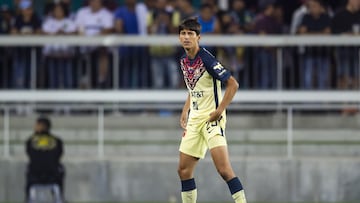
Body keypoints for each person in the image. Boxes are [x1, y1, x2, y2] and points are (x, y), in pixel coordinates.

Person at [177, 18, 247, 203]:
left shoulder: (206, 59)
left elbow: (233, 84)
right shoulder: (184, 60)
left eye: (190, 34)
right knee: (183, 170)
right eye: (183, 33)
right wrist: (185, 110)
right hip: (195, 119)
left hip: (211, 119)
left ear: (198, 37)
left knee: (224, 170)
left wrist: (219, 110)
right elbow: (194, 88)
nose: (186, 37)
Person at [25, 117, 65, 202]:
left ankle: (27, 198)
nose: (35, 127)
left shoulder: (30, 141)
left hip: (34, 177)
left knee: (28, 169)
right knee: (61, 168)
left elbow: (29, 154)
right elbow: (59, 155)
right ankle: (60, 197)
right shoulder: (58, 141)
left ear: (43, 126)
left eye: (37, 125)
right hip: (53, 177)